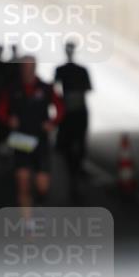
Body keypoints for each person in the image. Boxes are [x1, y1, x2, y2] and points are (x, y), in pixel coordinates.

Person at [0, 55, 65, 219]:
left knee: (43, 185)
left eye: (31, 67)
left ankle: (39, 203)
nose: (28, 70)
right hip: (21, 140)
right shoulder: (12, 89)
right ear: (21, 68)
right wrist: (8, 119)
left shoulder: (46, 88)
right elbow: (0, 110)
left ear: (35, 67)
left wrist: (53, 123)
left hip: (40, 140)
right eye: (25, 67)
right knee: (23, 184)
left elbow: (61, 108)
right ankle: (28, 226)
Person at [54, 40, 93, 190]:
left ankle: (76, 168)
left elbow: (56, 89)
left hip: (74, 111)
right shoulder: (79, 70)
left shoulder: (64, 70)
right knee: (73, 142)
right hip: (75, 111)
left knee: (73, 142)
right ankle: (75, 169)